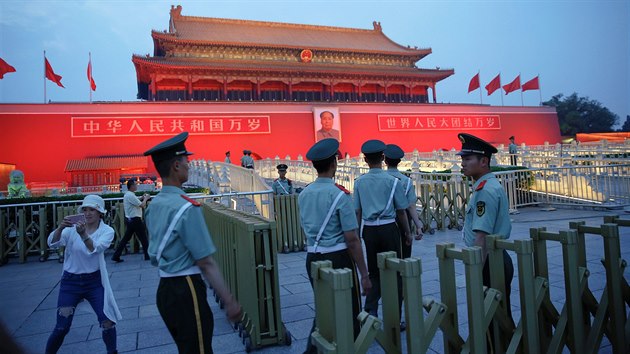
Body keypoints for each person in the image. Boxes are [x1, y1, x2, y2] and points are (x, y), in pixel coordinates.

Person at [144, 132, 242, 353]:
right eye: (186, 161)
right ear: (176, 166)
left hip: (165, 290)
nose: (190, 165)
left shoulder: (154, 205)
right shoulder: (187, 208)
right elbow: (205, 262)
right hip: (186, 288)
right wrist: (229, 300)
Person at [299, 138, 371, 354]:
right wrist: (364, 274)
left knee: (323, 308)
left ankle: (313, 350)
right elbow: (352, 239)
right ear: (334, 163)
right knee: (350, 310)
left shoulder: (303, 194)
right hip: (339, 258)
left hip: (313, 257)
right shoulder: (340, 195)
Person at [46, 194, 121, 354]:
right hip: (70, 282)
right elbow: (52, 243)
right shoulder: (71, 230)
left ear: (100, 212)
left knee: (107, 321)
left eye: (92, 210)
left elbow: (95, 249)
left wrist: (83, 234)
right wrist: (60, 228)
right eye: (85, 209)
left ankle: (112, 351)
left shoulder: (107, 231)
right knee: (62, 327)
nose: (88, 213)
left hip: (94, 282)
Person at [457, 133, 514, 324]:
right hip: (494, 258)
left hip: (490, 261)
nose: (463, 163)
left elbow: (481, 237)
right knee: (499, 316)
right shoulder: (487, 185)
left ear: (483, 161)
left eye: (467, 159)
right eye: (462, 159)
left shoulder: (485, 191)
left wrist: (475, 273)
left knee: (493, 321)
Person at [354, 139, 412, 324]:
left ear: (365, 160)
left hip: (369, 231)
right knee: (395, 271)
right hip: (389, 228)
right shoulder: (393, 181)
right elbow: (401, 211)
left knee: (374, 272)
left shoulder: (359, 182)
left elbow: (358, 211)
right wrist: (408, 233)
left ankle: (371, 311)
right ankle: (396, 317)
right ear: (382, 158)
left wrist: (357, 234)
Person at [384, 144, 423, 259]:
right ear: (399, 161)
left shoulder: (381, 179)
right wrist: (418, 225)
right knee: (404, 255)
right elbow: (411, 206)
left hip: (385, 221)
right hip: (403, 220)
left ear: (385, 160)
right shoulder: (406, 181)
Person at [111, 179, 150, 262]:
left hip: (130, 220)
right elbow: (142, 205)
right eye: (135, 184)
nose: (136, 186)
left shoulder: (128, 195)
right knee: (143, 238)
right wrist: (146, 198)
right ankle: (147, 255)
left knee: (125, 239)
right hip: (135, 219)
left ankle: (116, 255)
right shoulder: (130, 195)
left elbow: (136, 202)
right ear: (131, 186)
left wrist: (141, 198)